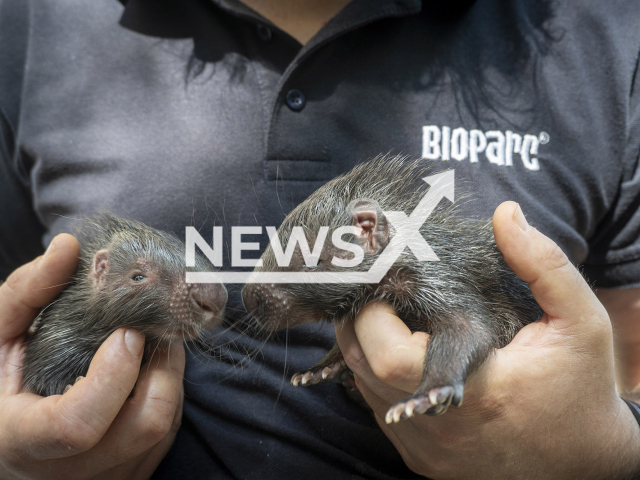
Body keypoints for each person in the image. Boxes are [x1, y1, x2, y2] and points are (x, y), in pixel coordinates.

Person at [1, 0, 639, 478]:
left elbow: (622, 372)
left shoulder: (608, 32)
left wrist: (605, 450)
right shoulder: (31, 22)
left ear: (369, 233)